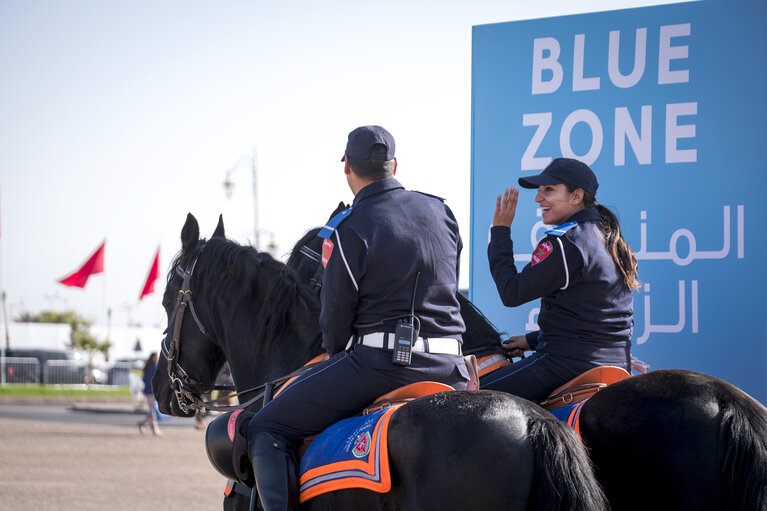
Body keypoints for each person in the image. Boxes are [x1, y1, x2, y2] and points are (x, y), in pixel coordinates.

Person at [245, 125, 469, 510]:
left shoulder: (350, 228)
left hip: (381, 366)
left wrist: (336, 352)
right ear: (395, 164)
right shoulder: (441, 211)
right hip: (453, 367)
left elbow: (335, 324)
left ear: (346, 166)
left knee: (266, 426)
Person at [479, 157, 639, 403]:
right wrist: (531, 340)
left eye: (548, 190)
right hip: (618, 365)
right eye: (539, 190)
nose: (538, 198)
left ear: (576, 197)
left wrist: (500, 231)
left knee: (470, 401)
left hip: (566, 365)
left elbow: (511, 293)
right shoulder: (611, 238)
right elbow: (592, 318)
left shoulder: (565, 242)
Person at [138, 352, 161, 436]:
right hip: (152, 391)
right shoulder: (155, 367)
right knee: (153, 411)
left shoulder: (147, 367)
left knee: (152, 410)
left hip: (147, 391)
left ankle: (143, 423)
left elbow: (144, 379)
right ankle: (154, 428)